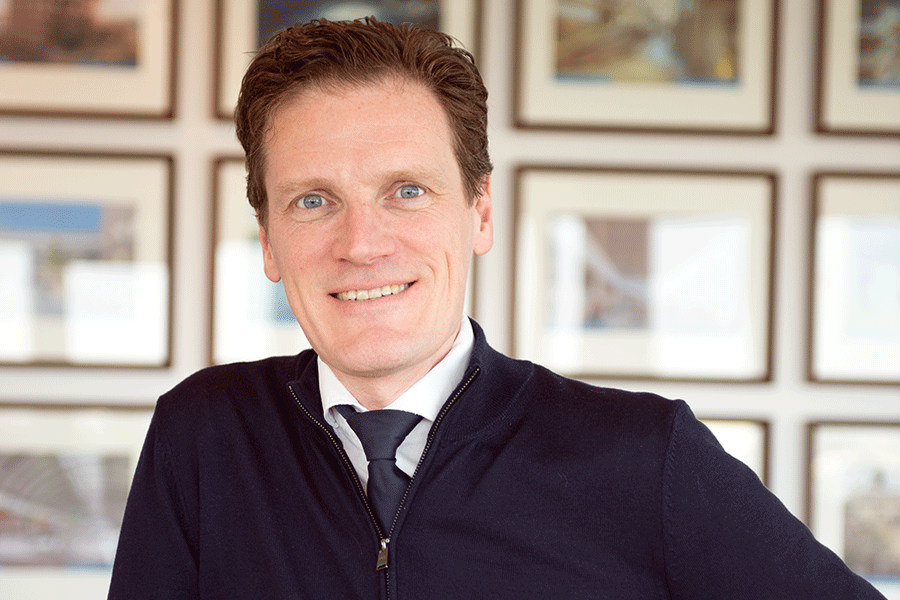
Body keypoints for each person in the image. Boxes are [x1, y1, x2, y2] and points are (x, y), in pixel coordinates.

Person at [108, 17, 886, 600]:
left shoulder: (646, 457)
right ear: (268, 240)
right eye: (313, 200)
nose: (361, 243)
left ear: (479, 212)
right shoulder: (203, 436)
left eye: (405, 191)